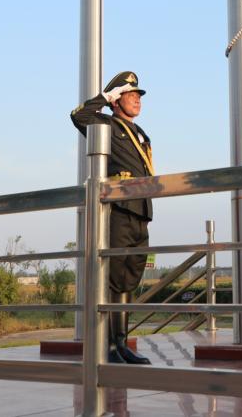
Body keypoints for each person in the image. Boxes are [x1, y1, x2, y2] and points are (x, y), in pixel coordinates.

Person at [71, 70, 154, 365]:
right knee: (112, 279)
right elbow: (78, 116)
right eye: (130, 95)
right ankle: (107, 346)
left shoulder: (140, 133)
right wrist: (105, 98)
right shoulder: (106, 124)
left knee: (128, 281)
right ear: (117, 100)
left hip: (141, 211)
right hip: (119, 211)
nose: (137, 100)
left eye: (138, 95)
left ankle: (121, 343)